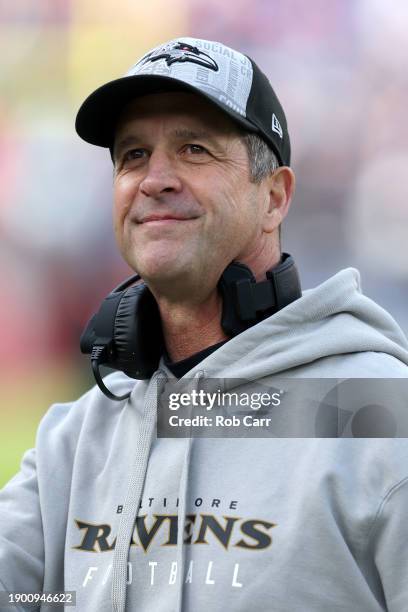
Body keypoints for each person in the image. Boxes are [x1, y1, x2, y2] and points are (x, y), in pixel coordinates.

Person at [1, 37, 408, 612]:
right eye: (133, 155)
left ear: (274, 197)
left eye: (194, 149)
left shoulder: (382, 413)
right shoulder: (76, 440)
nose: (154, 178)